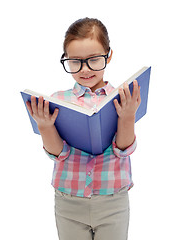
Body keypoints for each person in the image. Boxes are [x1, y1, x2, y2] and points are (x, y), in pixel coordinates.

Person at [26, 17, 141, 240]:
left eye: (94, 60)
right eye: (75, 61)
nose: (85, 69)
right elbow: (58, 154)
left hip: (113, 201)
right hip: (68, 202)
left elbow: (123, 149)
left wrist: (127, 116)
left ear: (109, 56)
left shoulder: (121, 98)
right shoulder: (59, 101)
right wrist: (45, 126)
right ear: (66, 60)